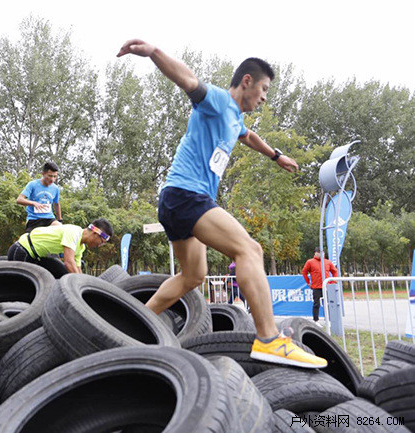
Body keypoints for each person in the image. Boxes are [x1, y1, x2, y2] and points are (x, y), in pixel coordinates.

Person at [117, 39, 326, 369]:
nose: (264, 97)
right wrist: (154, 53)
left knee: (192, 276)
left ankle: (131, 323)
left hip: (176, 200)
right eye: (263, 89)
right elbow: (187, 80)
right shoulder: (216, 101)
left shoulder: (235, 120)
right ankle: (270, 339)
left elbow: (248, 136)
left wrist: (276, 156)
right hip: (187, 196)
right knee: (250, 250)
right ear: (247, 81)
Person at [7, 218, 112, 278]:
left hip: (35, 257)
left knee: (58, 275)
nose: (99, 245)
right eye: (101, 242)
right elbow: (69, 262)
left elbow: (78, 270)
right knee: (23, 288)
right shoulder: (74, 232)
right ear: (95, 233)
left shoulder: (81, 247)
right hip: (21, 250)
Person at [17, 162, 62, 233]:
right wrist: (33, 203)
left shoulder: (55, 188)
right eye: (50, 176)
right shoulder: (32, 184)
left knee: (62, 230)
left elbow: (56, 204)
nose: (52, 179)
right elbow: (19, 200)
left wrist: (60, 220)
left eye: (55, 176)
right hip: (34, 219)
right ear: (43, 174)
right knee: (28, 240)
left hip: (49, 219)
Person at [302, 248, 339, 326]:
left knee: (329, 303)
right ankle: (316, 320)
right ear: (315, 253)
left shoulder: (328, 262)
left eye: (322, 252)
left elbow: (334, 271)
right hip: (316, 287)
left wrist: (333, 281)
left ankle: (329, 320)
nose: (321, 254)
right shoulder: (310, 262)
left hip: (327, 286)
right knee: (316, 304)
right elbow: (304, 272)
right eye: (319, 252)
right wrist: (308, 282)